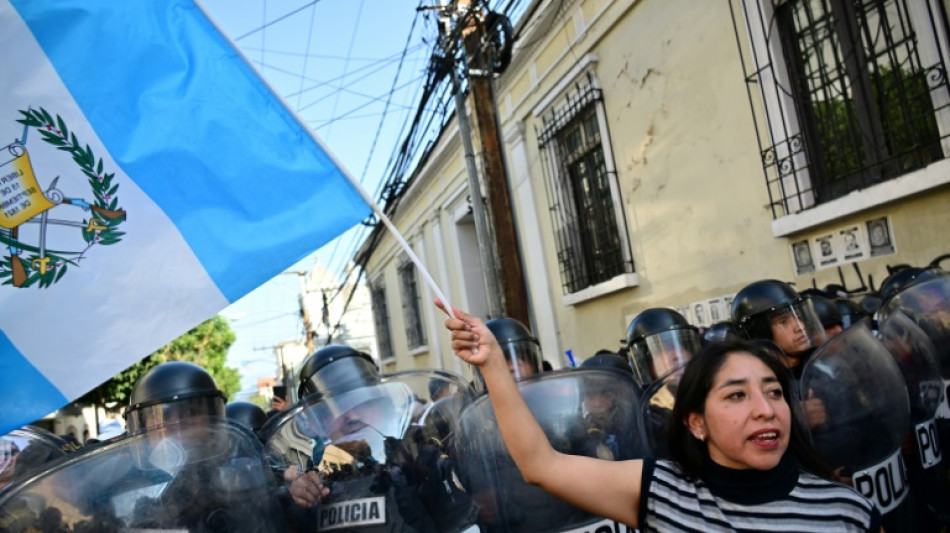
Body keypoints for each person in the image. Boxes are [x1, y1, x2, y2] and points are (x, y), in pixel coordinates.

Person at [437, 300, 881, 532]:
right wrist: (493, 363)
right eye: (736, 396)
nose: (765, 409)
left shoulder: (848, 512)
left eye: (773, 392)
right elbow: (540, 465)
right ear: (695, 422)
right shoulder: (661, 493)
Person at [731, 279, 827, 380]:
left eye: (798, 316)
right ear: (762, 333)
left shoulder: (823, 367)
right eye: (783, 321)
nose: (800, 327)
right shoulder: (762, 383)